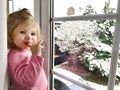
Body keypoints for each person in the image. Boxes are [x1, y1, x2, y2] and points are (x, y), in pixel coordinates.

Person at [7, 8, 48, 90]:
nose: (29, 37)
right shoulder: (15, 56)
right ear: (10, 36)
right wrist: (36, 55)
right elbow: (28, 81)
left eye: (33, 33)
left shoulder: (26, 51)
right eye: (22, 32)